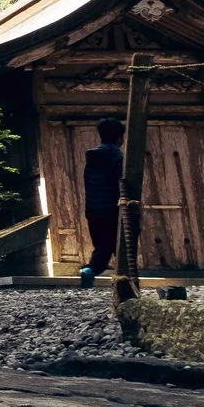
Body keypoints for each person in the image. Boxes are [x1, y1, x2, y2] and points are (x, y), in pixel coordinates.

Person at [81, 117, 126, 286]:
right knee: (120, 247)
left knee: (101, 248)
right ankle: (124, 282)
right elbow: (120, 183)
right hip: (112, 210)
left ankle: (88, 271)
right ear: (118, 137)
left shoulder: (91, 159)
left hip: (93, 210)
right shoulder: (117, 156)